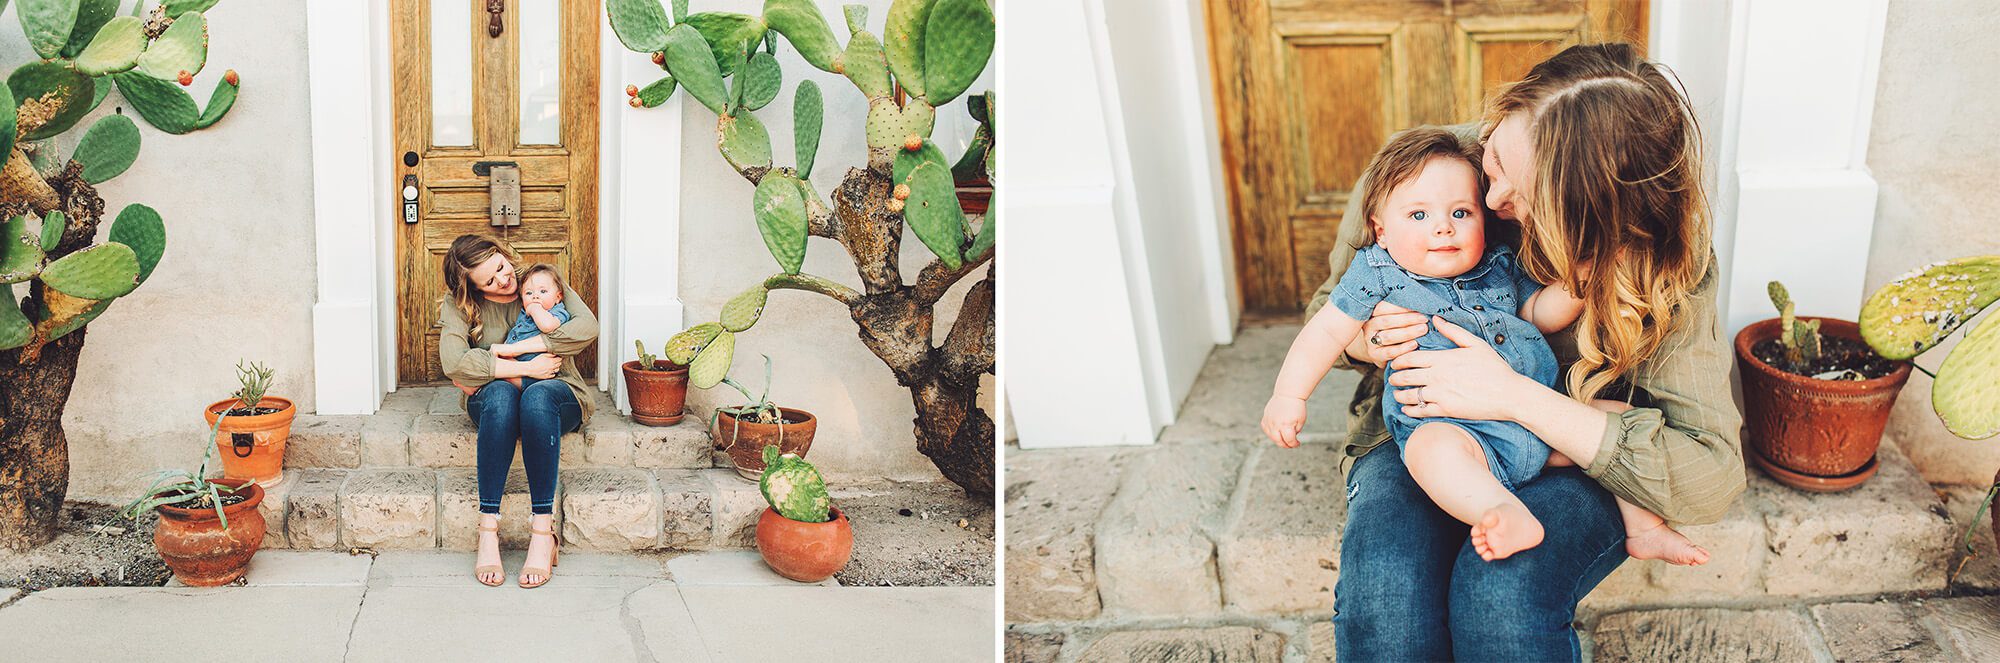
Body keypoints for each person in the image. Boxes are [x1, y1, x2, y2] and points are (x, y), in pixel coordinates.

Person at [1306, 43, 1746, 660]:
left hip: (1568, 439)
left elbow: (1710, 475)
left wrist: (1513, 395)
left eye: (1526, 193)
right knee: (1388, 598)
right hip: (1430, 425)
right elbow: (1332, 307)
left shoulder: (1659, 251)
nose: (1489, 201)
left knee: (1501, 597)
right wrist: (1368, 339)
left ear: (1595, 218)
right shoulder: (1421, 172)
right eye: (1496, 158)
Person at [1261, 126, 1708, 565]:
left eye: (1461, 213)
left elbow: (1536, 313)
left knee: (1617, 420)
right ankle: (1501, 511)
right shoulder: (1377, 275)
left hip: (1539, 421)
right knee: (1428, 452)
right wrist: (1289, 395)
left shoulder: (1497, 265)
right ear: (1381, 232)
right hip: (1457, 432)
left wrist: (1582, 280)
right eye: (1419, 216)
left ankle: (1645, 530)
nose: (1443, 229)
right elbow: (1324, 331)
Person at [438, 234, 598, 589]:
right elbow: (453, 361)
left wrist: (508, 352)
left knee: (537, 398)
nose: (504, 279)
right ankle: (487, 531)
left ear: (501, 252)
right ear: (473, 290)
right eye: (490, 281)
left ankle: (543, 533)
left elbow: (586, 328)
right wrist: (524, 368)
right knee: (500, 397)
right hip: (499, 396)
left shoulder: (539, 279)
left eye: (500, 266)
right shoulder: (458, 306)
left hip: (559, 391)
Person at [499, 263, 573, 388]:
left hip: (541, 368)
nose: (535, 296)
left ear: (558, 297)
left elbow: (547, 326)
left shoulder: (557, 312)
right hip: (519, 364)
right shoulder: (524, 313)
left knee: (507, 375)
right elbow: (517, 333)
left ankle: (521, 386)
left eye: (543, 291)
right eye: (528, 293)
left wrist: (534, 308)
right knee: (499, 366)